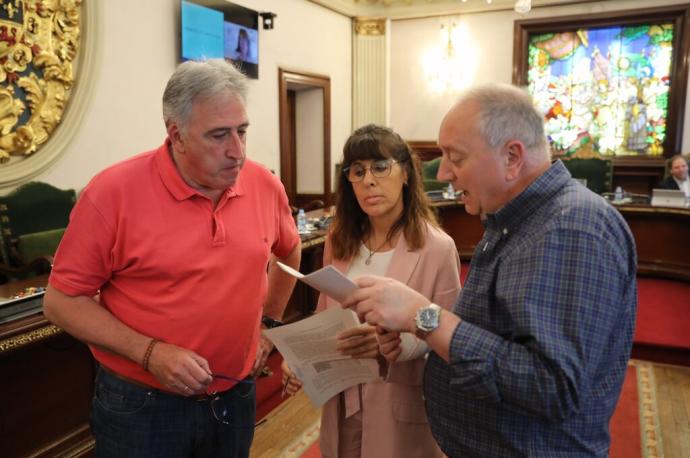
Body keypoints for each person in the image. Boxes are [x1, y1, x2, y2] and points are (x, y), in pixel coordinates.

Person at [346, 84, 637, 457]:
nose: (445, 173)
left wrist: (423, 316)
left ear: (512, 157)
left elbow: (552, 387)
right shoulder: (517, 221)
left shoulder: (572, 227)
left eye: (456, 157)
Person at [43, 59, 302, 457]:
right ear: (176, 134)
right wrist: (150, 353)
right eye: (218, 135)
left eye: (242, 131)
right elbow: (60, 301)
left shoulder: (264, 184)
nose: (237, 151)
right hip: (142, 406)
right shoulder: (113, 193)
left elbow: (289, 248)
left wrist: (269, 325)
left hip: (234, 393)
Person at [282, 124, 461, 458]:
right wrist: (302, 362)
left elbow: (448, 341)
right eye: (357, 171)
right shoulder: (340, 239)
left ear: (405, 173)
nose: (368, 180)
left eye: (380, 167)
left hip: (399, 399)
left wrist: (388, 344)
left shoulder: (438, 248)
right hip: (343, 396)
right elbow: (326, 315)